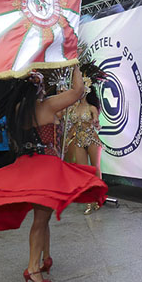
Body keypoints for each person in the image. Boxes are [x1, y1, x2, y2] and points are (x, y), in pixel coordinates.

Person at [0, 67, 107, 282]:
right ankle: (33, 268)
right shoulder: (46, 105)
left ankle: (45, 258)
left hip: (28, 164)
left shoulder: (18, 109)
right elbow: (78, 91)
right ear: (39, 88)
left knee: (42, 217)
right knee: (40, 219)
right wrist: (75, 64)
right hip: (45, 167)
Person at [65, 79, 103, 215]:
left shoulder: (91, 108)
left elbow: (96, 123)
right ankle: (89, 200)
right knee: (84, 171)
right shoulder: (74, 108)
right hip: (78, 141)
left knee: (95, 170)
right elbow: (72, 127)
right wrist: (67, 140)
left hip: (92, 139)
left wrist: (96, 122)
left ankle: (98, 198)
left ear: (86, 91)